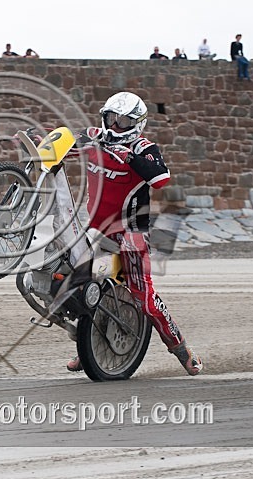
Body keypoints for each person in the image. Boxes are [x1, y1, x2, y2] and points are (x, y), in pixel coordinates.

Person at [64, 92, 203, 376]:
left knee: (144, 297)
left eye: (124, 120)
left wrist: (129, 156)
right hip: (96, 230)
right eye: (112, 118)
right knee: (77, 285)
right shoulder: (96, 139)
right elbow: (65, 148)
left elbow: (161, 178)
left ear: (136, 124)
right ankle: (88, 349)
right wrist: (37, 141)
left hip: (131, 233)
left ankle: (181, 348)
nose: (115, 125)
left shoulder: (143, 147)